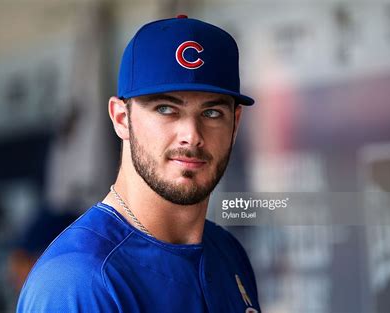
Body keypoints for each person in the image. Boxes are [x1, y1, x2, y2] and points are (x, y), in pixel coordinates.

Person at [17, 15, 261, 313]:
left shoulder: (228, 253)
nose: (191, 136)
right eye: (166, 109)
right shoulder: (78, 280)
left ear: (235, 124)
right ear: (122, 119)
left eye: (211, 113)